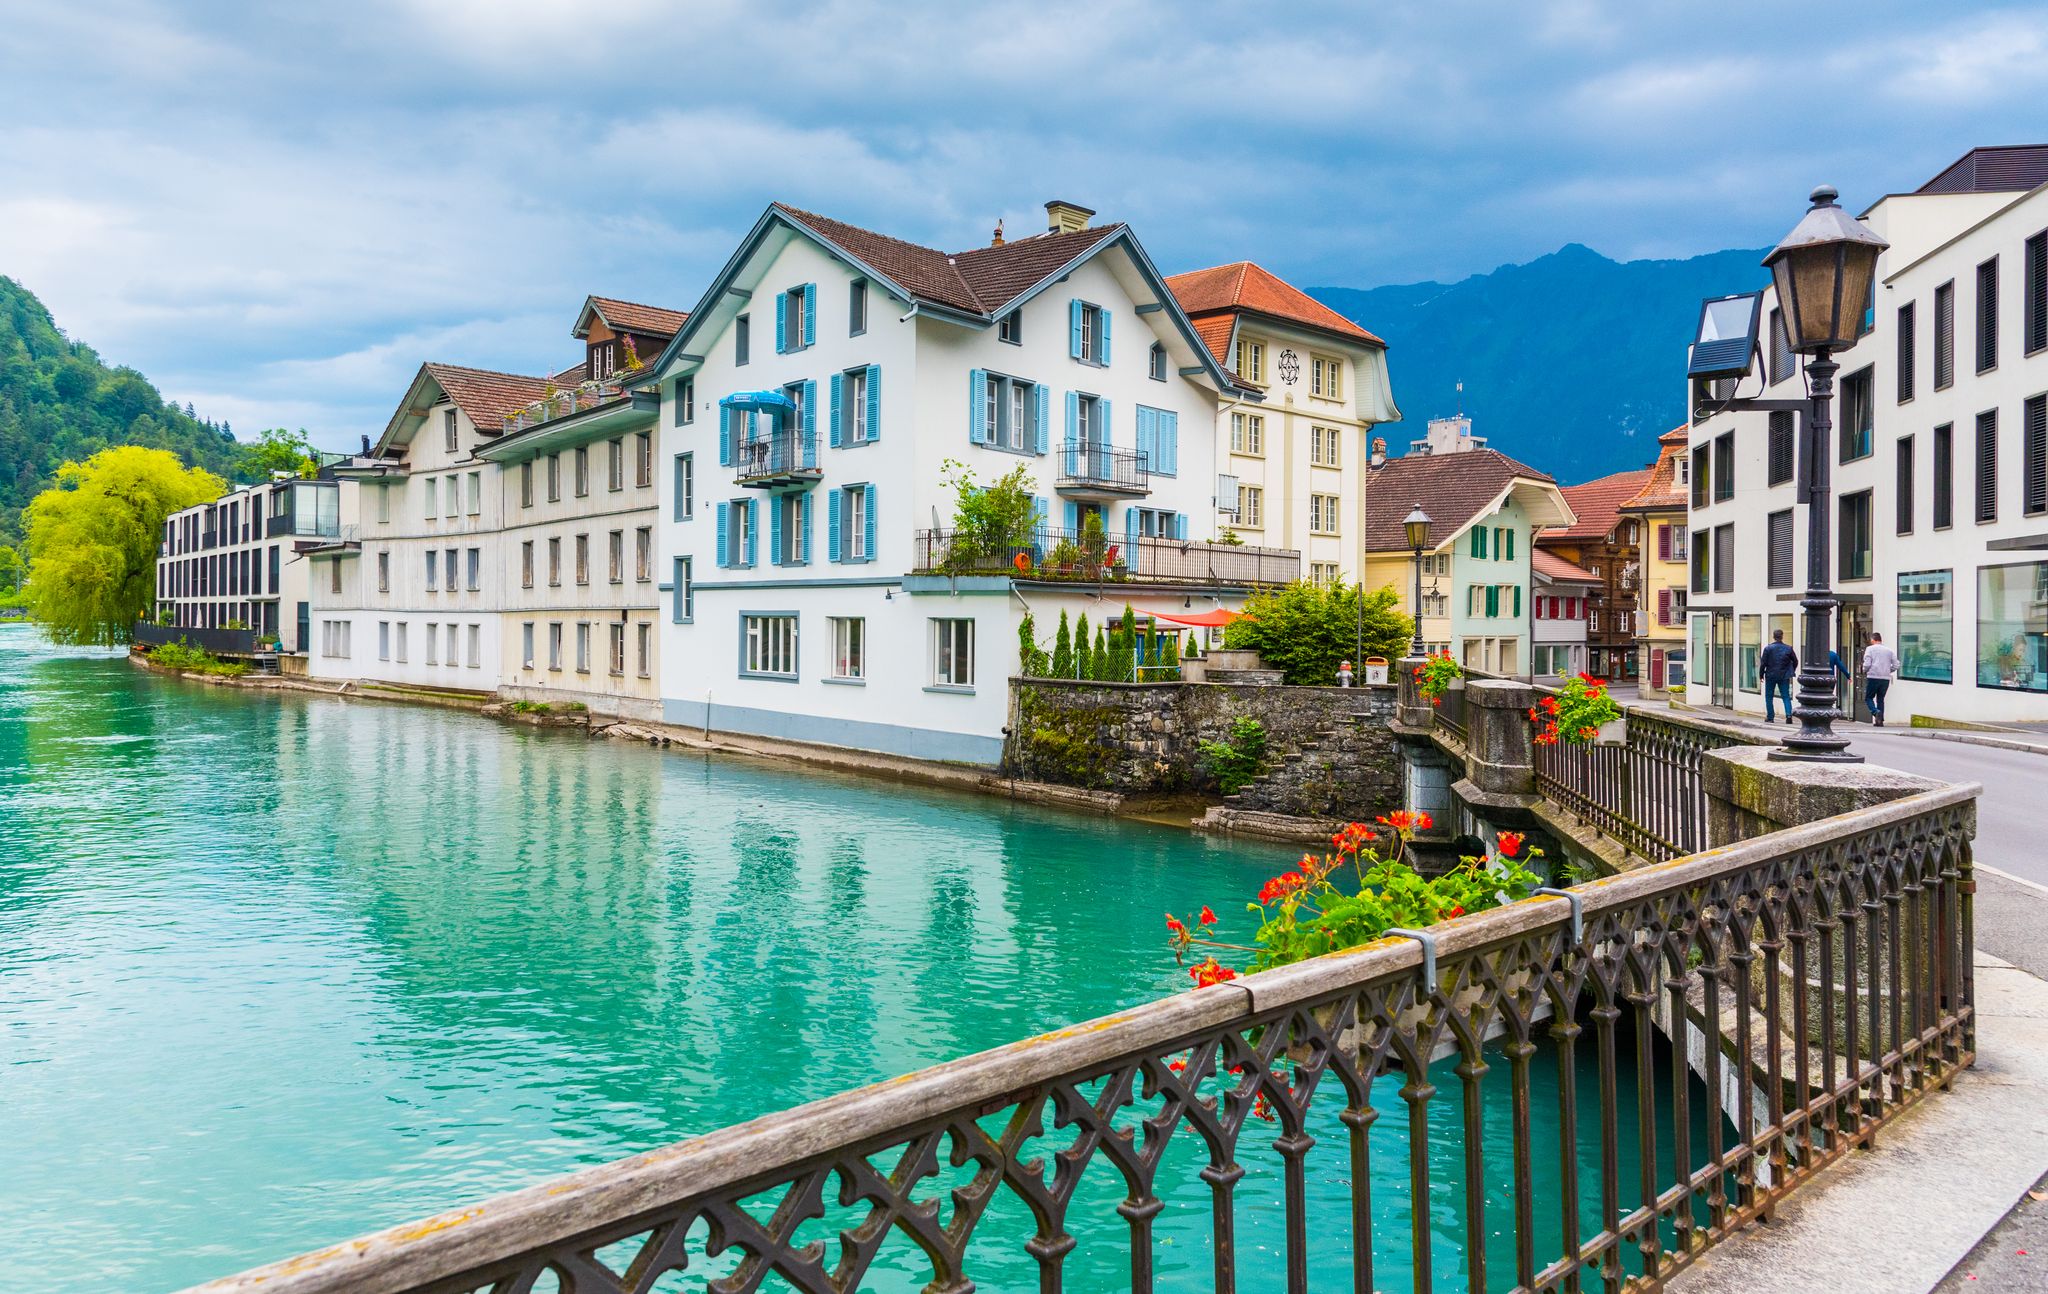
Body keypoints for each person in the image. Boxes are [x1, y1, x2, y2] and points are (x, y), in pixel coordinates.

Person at [1862, 632, 1901, 726]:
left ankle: (1875, 712)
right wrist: (1888, 670)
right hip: (1885, 678)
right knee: (1880, 699)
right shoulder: (1889, 650)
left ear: (1872, 639)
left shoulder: (1869, 649)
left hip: (1873, 676)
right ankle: (1880, 721)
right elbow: (1896, 665)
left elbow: (1867, 664)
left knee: (1868, 698)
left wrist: (1864, 670)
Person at [1759, 629, 1798, 723]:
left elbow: (1763, 663)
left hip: (1770, 675)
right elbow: (1795, 661)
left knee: (1769, 696)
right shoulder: (1788, 648)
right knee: (1785, 696)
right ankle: (1789, 716)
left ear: (1773, 636)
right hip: (1784, 675)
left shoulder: (1768, 648)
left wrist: (1761, 675)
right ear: (1782, 636)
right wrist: (1791, 670)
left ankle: (1770, 717)